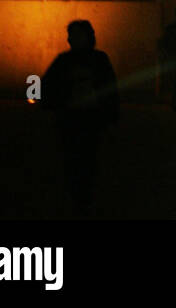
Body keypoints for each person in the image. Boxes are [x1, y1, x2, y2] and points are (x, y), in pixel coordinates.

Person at [41, 20, 119, 217]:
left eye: (76, 35)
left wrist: (111, 115)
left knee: (87, 160)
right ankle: (80, 198)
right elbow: (48, 86)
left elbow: (110, 89)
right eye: (71, 35)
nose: (71, 39)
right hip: (71, 119)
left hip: (90, 118)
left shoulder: (94, 60)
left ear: (87, 36)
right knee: (74, 160)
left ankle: (83, 198)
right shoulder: (67, 61)